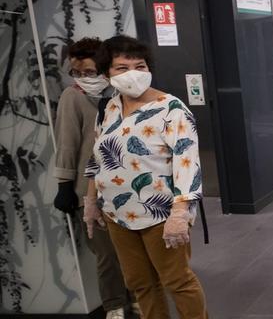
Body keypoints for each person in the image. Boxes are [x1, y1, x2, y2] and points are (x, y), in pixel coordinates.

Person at [83, 35, 208, 319]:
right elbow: (97, 158)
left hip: (160, 213)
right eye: (122, 68)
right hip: (117, 213)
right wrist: (90, 202)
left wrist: (180, 214)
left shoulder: (171, 109)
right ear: (107, 74)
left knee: (177, 281)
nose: (133, 74)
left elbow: (188, 163)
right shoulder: (108, 108)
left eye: (139, 66)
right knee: (140, 284)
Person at [53, 38, 134, 319]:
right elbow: (66, 144)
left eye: (89, 72)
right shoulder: (72, 97)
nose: (83, 79)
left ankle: (136, 298)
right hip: (88, 191)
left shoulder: (118, 96)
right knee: (106, 255)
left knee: (131, 251)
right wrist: (64, 185)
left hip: (122, 186)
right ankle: (114, 306)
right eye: (76, 73)